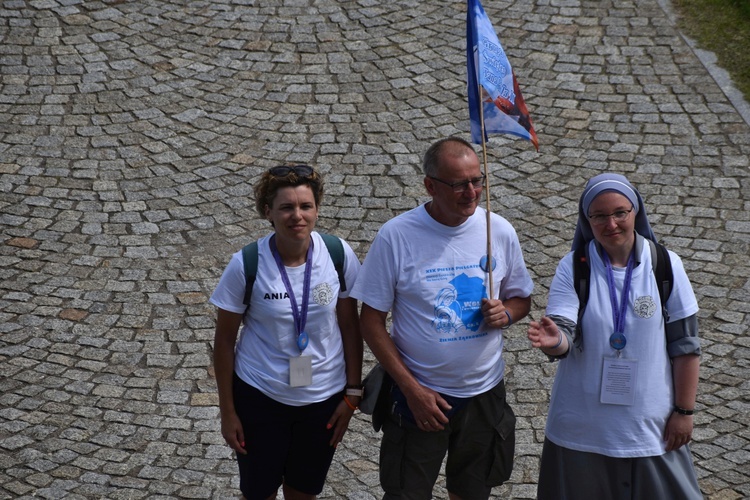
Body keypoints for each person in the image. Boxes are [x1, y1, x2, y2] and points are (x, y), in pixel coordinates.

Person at [350, 137, 534, 500]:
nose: (471, 192)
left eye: (477, 180)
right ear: (430, 186)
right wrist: (411, 389)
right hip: (420, 396)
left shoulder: (498, 230)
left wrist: (507, 313)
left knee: (473, 492)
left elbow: (522, 299)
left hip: (484, 396)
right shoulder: (397, 236)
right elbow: (370, 321)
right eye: (459, 184)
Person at [527, 173, 702, 499]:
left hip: (649, 429)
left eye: (620, 212)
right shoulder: (574, 267)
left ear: (636, 211)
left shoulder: (665, 264)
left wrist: (684, 412)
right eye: (599, 216)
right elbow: (563, 331)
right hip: (582, 429)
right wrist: (555, 342)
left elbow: (686, 347)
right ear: (587, 220)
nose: (611, 224)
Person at [210, 165, 363, 500]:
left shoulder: (337, 255)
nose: (297, 215)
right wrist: (228, 412)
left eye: (305, 206)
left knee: (303, 492)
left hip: (323, 400)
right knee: (259, 493)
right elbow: (223, 342)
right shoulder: (246, 264)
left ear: (317, 209)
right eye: (286, 207)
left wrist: (353, 393)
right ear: (268, 212)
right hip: (261, 397)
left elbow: (351, 325)